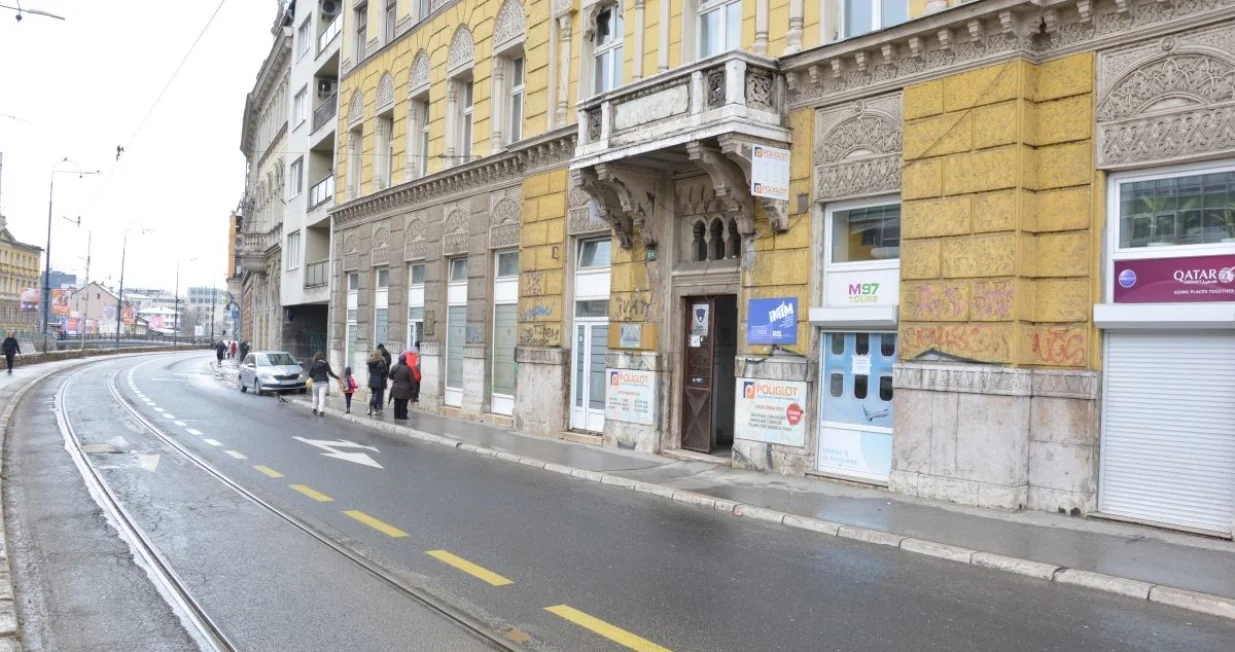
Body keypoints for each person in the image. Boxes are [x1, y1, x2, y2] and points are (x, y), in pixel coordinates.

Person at [307, 352, 338, 416]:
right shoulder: (325, 363)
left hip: (315, 382)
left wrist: (314, 377)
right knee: (322, 397)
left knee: (315, 396)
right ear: (322, 357)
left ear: (316, 357)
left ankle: (314, 409)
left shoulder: (314, 364)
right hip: (324, 382)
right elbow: (330, 373)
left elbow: (309, 374)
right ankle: (321, 411)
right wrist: (337, 377)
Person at [366, 350, 387, 416]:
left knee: (373, 395)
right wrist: (382, 375)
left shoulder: (370, 362)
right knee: (376, 396)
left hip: (371, 380)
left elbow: (369, 371)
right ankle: (374, 410)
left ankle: (370, 409)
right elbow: (385, 371)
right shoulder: (381, 362)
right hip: (378, 380)